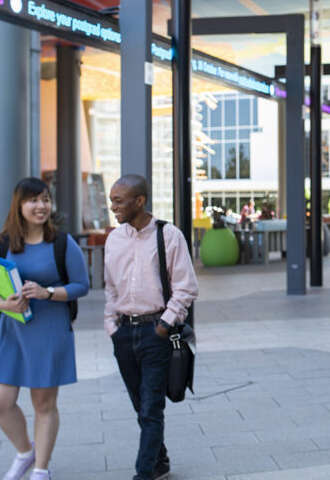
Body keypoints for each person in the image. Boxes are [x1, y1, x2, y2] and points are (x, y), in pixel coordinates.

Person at [0, 177, 90, 480]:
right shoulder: (4, 241)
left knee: (43, 402)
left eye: (45, 200)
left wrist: (49, 293)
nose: (41, 206)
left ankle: (41, 468)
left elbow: (82, 285)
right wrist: (4, 305)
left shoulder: (62, 243)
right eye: (33, 200)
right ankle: (25, 452)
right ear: (20, 204)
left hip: (49, 330)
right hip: (12, 332)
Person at [104, 174, 198, 480]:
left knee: (151, 409)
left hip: (155, 331)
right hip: (123, 333)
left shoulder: (169, 235)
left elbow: (185, 286)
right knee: (140, 405)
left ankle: (143, 474)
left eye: (119, 200)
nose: (113, 206)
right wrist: (111, 326)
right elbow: (110, 288)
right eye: (112, 200)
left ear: (140, 200)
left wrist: (164, 324)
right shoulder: (114, 239)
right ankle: (161, 462)